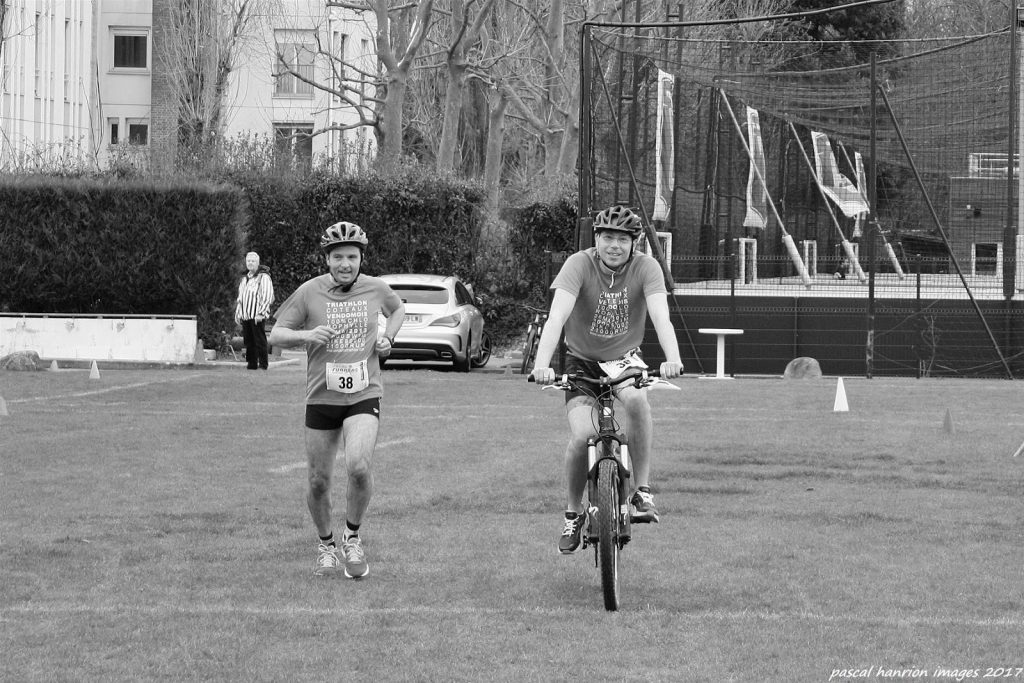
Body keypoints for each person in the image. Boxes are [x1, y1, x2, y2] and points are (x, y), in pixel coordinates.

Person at [530, 205, 684, 555]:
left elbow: (662, 318)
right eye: (607, 237)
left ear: (634, 243)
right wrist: (542, 365)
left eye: (622, 239)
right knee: (583, 435)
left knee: (636, 400)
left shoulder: (647, 268)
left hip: (624, 360)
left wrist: (673, 359)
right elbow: (556, 318)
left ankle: (641, 490)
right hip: (581, 361)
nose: (614, 245)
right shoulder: (578, 265)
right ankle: (574, 512)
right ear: (596, 239)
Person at [268, 222, 405, 578]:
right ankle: (326, 544)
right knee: (318, 480)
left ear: (361, 259)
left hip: (364, 392)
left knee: (359, 466)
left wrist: (388, 339)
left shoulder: (375, 288)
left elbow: (398, 309)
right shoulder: (309, 292)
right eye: (338, 257)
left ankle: (352, 537)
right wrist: (308, 335)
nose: (346, 263)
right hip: (322, 395)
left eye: (352, 257)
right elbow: (276, 335)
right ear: (327, 259)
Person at [234, 251, 275, 370]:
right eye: (248, 261)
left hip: (257, 315)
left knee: (259, 340)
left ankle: (263, 364)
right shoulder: (244, 279)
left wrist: (261, 313)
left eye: (253, 261)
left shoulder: (263, 277)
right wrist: (238, 313)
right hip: (246, 315)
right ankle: (251, 364)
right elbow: (240, 298)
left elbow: (267, 296)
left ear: (258, 263)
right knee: (248, 341)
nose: (250, 263)